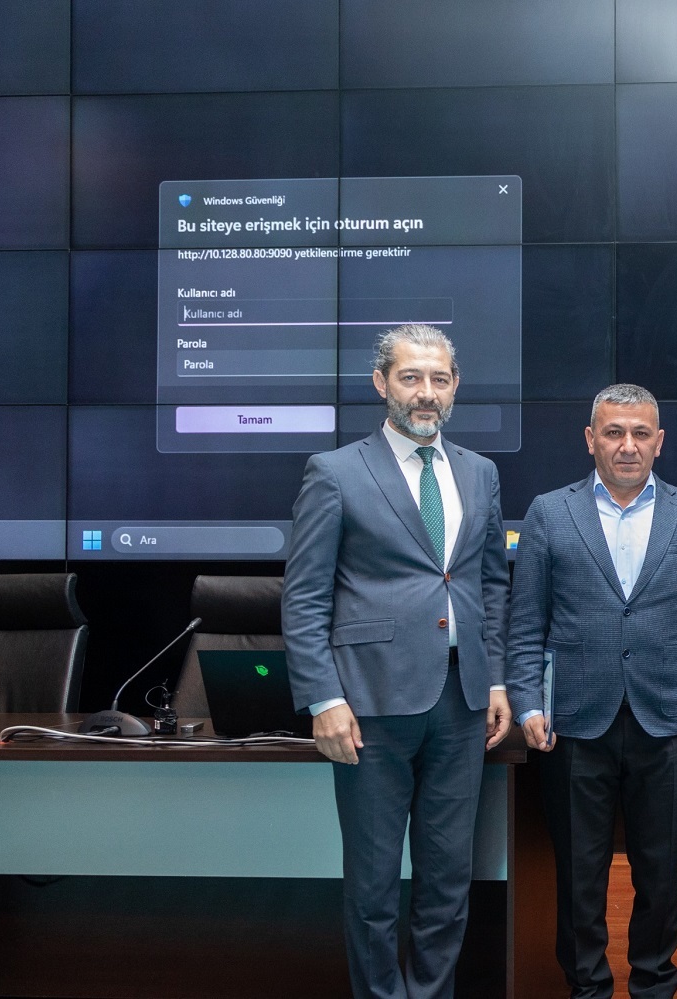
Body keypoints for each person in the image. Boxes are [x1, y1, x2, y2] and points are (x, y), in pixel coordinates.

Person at [282, 323, 512, 999]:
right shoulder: (335, 472)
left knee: (447, 881)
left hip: (462, 703)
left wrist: (497, 677)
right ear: (382, 383)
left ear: (455, 386)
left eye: (439, 379)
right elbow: (304, 596)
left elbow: (490, 585)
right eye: (411, 377)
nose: (426, 392)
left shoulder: (480, 471)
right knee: (375, 884)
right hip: (370, 706)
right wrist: (324, 698)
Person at [505, 383, 677, 999]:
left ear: (659, 442)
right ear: (590, 439)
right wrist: (527, 701)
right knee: (579, 874)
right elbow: (525, 623)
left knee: (660, 873)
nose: (627, 445)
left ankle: (654, 982)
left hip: (667, 719)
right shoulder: (550, 512)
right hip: (574, 724)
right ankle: (587, 987)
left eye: (640, 433)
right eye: (613, 432)